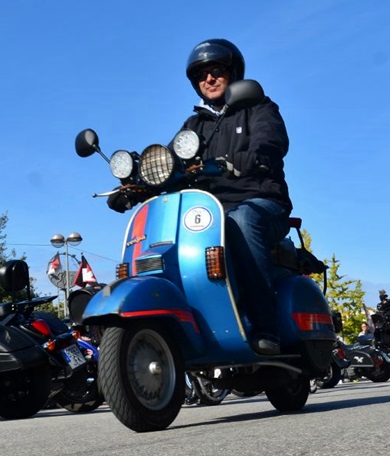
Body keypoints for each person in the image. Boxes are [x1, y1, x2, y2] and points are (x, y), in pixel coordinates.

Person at [106, 38, 291, 356]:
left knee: (241, 220)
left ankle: (264, 326)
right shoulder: (194, 126)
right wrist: (135, 188)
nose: (209, 79)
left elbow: (270, 144)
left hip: (260, 203)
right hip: (208, 213)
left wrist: (252, 158)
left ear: (233, 72)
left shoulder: (259, 108)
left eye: (216, 71)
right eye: (201, 75)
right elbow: (166, 166)